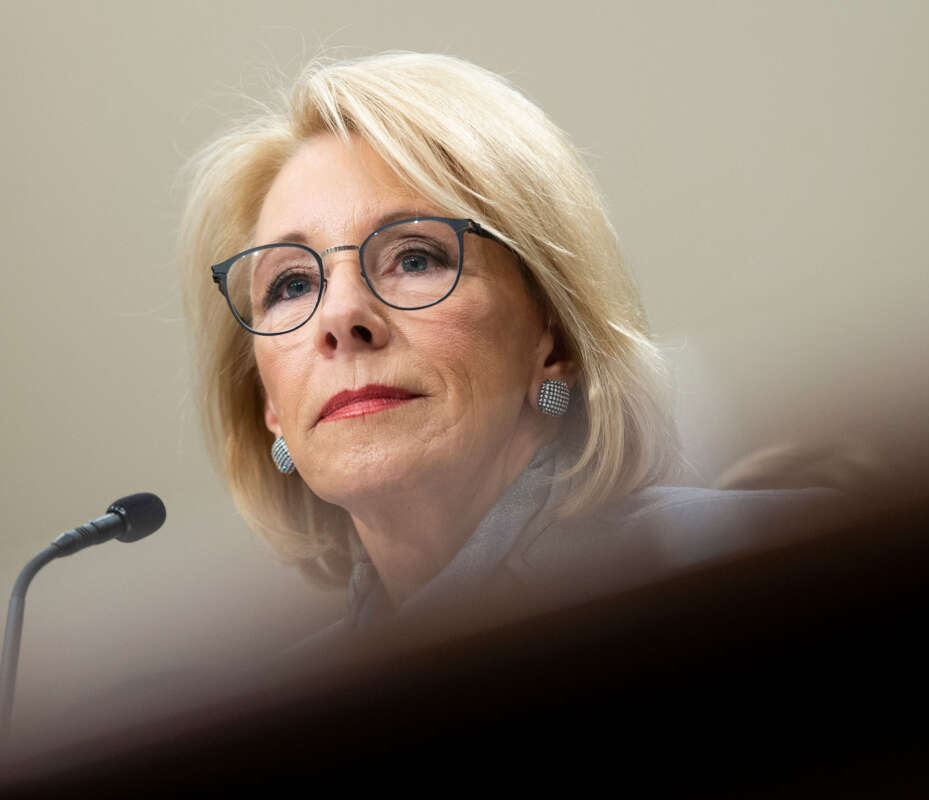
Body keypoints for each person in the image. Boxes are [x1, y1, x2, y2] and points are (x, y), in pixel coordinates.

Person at [181, 52, 841, 638]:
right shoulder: (268, 724)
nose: (342, 316)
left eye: (415, 259)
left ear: (551, 337)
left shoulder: (773, 567)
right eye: (292, 284)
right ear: (267, 400)